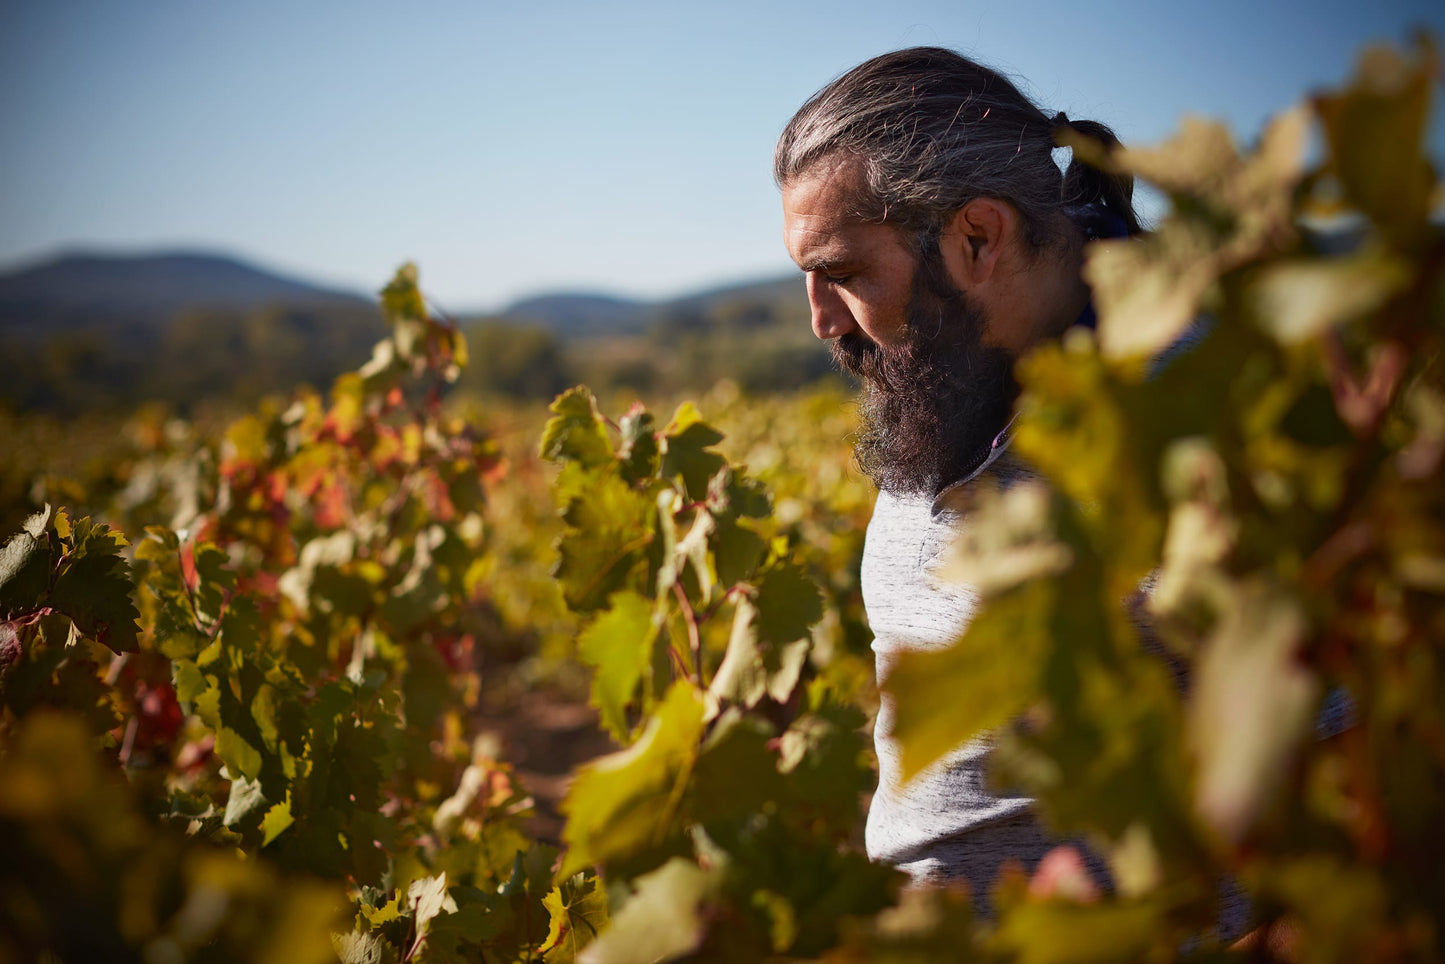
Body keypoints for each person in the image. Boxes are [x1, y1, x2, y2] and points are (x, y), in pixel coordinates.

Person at [774, 47, 1142, 903]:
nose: (822, 321)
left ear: (978, 236)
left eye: (843, 272)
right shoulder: (933, 400)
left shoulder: (1179, 424)